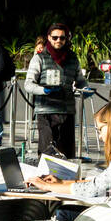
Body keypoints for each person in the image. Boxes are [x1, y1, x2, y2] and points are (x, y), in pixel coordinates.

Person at [23, 21, 86, 158]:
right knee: (47, 154)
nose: (58, 40)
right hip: (46, 111)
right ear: (49, 38)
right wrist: (43, 90)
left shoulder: (73, 58)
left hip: (67, 112)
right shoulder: (39, 58)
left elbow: (80, 81)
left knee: (67, 154)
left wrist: (85, 91)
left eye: (62, 38)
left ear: (67, 38)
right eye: (55, 37)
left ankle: (65, 179)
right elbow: (28, 84)